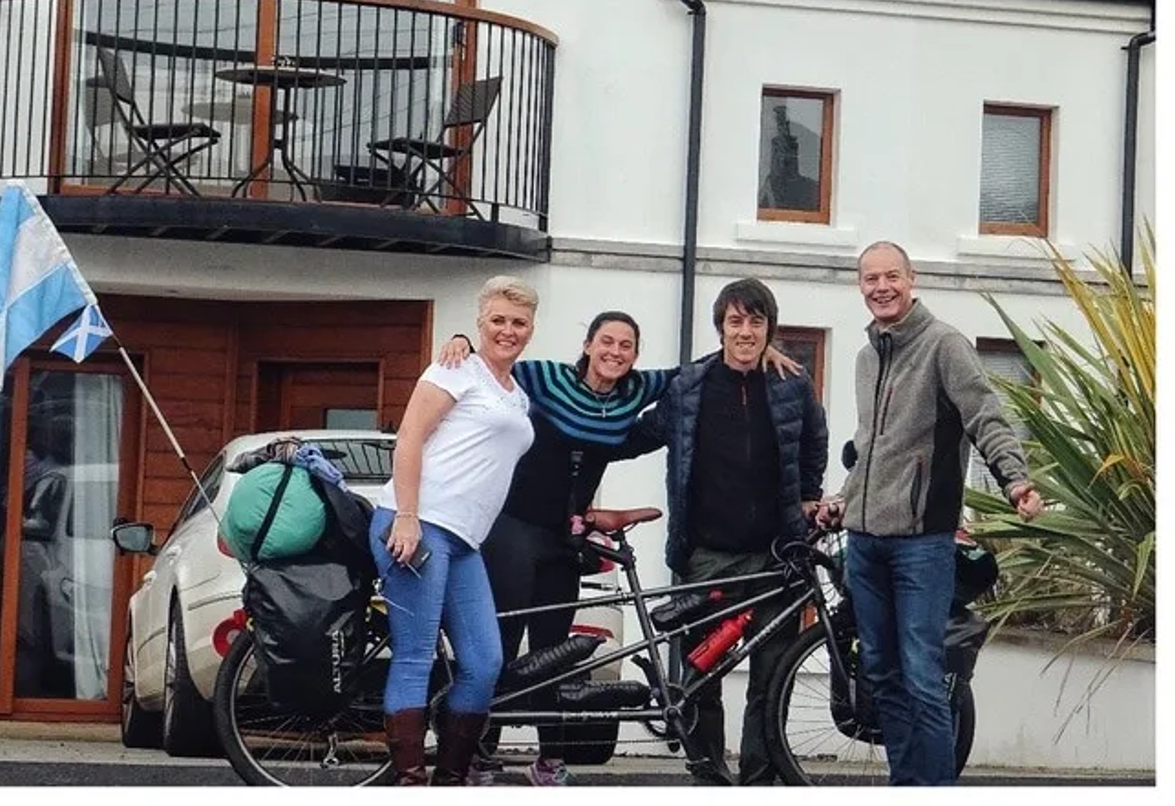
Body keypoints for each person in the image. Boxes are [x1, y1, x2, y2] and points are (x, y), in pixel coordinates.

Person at [437, 312, 800, 786]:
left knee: (554, 654)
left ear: (634, 356)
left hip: (565, 537)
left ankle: (548, 761)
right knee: (500, 648)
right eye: (605, 341)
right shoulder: (547, 377)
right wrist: (464, 339)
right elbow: (494, 362)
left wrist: (758, 345)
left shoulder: (632, 392)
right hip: (514, 526)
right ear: (587, 344)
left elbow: (690, 374)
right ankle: (474, 753)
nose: (614, 352)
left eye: (626, 345)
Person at [818, 241, 1045, 786]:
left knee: (922, 677)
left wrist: (1015, 479)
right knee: (882, 677)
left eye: (891, 276)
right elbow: (873, 447)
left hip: (922, 543)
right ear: (861, 287)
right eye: (870, 279)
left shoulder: (945, 345)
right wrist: (844, 500)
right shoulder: (867, 356)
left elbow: (986, 417)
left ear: (911, 278)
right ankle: (906, 787)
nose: (881, 288)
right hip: (866, 544)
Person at [623, 278, 829, 785]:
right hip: (706, 560)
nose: (745, 331)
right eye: (735, 321)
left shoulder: (792, 384)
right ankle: (709, 779)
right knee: (699, 679)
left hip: (777, 559)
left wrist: (807, 494)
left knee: (771, 678)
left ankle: (759, 781)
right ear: (720, 328)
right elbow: (637, 434)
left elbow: (815, 442)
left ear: (769, 329)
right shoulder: (689, 386)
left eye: (755, 321)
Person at [369, 275, 538, 786]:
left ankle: (450, 779)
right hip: (418, 525)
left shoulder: (516, 393)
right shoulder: (455, 367)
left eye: (519, 322)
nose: (508, 330)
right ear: (480, 322)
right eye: (498, 320)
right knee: (417, 655)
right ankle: (411, 782)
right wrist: (406, 515)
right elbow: (409, 438)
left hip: (464, 542)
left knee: (485, 662)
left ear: (530, 329)